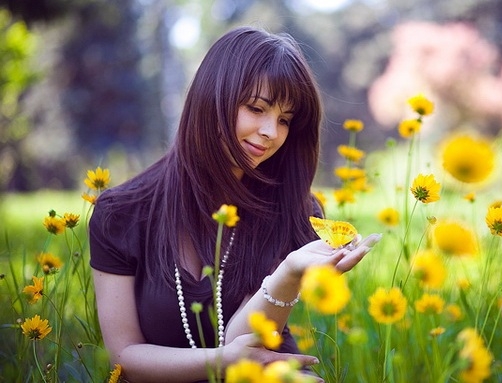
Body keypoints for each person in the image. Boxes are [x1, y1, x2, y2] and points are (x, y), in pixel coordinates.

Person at [89, 26, 382, 382]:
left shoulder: (293, 210)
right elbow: (125, 357)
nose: (271, 132)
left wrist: (288, 273)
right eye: (256, 108)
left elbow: (241, 340)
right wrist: (221, 360)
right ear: (211, 99)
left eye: (285, 120)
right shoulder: (121, 214)